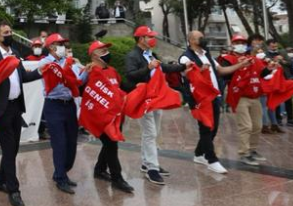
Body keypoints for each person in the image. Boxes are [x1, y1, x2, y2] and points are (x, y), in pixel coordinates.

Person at [0, 22, 42, 206]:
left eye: (10, 32)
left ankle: (0, 179)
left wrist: (41, 71)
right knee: (9, 149)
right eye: (5, 33)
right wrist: (5, 67)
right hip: (1, 109)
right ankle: (13, 189)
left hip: (16, 107)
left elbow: (23, 76)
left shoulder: (14, 53)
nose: (10, 34)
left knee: (13, 148)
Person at [122, 25, 185, 185]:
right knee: (150, 133)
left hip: (156, 98)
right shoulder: (132, 56)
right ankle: (152, 168)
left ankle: (146, 162)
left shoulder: (151, 54)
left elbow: (164, 67)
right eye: (150, 37)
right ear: (141, 39)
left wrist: (183, 67)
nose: (153, 39)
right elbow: (129, 76)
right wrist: (147, 68)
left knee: (153, 133)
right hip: (143, 99)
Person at [179, 30, 246, 175]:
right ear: (191, 40)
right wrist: (200, 71)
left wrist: (240, 66)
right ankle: (211, 160)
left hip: (215, 96)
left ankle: (199, 154)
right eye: (200, 37)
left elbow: (221, 70)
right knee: (206, 128)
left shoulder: (207, 54)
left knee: (213, 128)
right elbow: (189, 73)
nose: (204, 39)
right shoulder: (185, 58)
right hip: (200, 99)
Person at [80, 41, 134, 193]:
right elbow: (79, 90)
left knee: (110, 144)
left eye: (106, 50)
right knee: (111, 145)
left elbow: (123, 87)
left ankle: (99, 169)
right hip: (100, 117)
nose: (106, 52)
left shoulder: (112, 71)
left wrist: (141, 87)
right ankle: (117, 178)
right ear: (94, 55)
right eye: (102, 50)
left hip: (116, 116)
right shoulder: (89, 71)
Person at [38, 33, 84, 194]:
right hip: (54, 105)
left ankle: (61, 171)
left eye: (64, 43)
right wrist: (66, 69)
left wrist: (87, 70)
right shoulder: (45, 63)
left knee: (71, 143)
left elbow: (78, 80)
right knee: (59, 143)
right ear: (51, 47)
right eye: (60, 43)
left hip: (69, 105)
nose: (63, 47)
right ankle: (60, 178)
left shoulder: (69, 62)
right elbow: (54, 80)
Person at [218, 34, 271, 167]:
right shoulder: (227, 59)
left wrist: (270, 67)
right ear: (232, 44)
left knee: (257, 126)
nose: (240, 44)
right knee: (246, 126)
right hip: (239, 96)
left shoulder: (252, 59)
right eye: (237, 42)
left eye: (242, 42)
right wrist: (240, 65)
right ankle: (244, 153)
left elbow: (263, 73)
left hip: (254, 96)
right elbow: (224, 73)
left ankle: (252, 150)